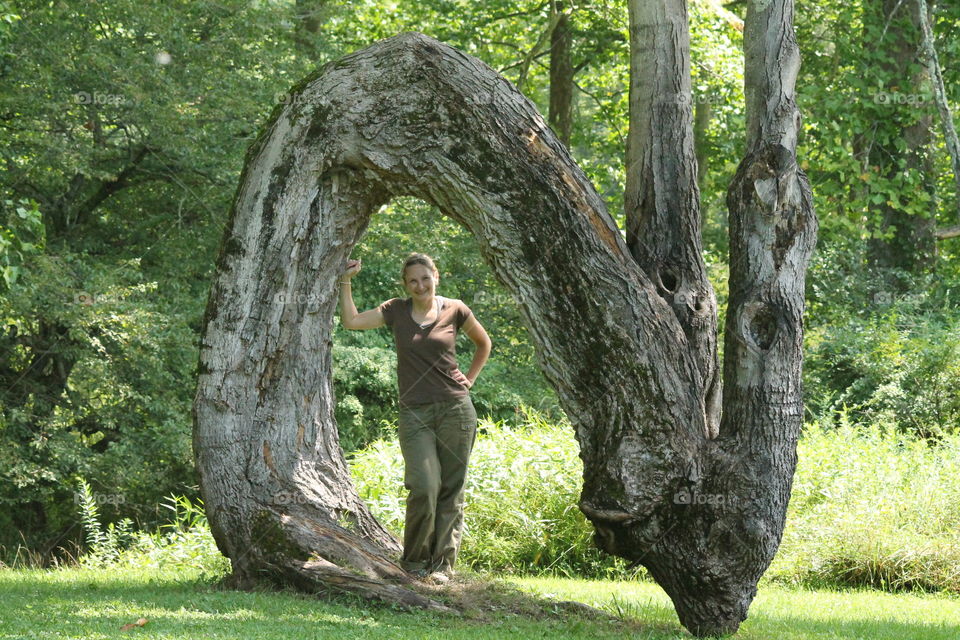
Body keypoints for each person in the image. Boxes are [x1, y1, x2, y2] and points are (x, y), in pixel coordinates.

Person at [338, 252, 491, 584]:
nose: (420, 285)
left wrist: (471, 379)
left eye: (425, 277)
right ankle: (414, 562)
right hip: (415, 413)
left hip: (456, 410)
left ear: (436, 275)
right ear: (405, 285)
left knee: (452, 489)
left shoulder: (456, 309)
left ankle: (442, 567)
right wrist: (345, 279)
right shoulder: (396, 310)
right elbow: (351, 321)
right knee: (424, 486)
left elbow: (483, 343)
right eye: (413, 281)